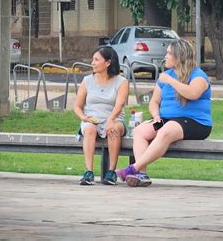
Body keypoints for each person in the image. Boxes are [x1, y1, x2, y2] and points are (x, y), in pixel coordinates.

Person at [117, 39, 212, 187]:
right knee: (140, 131)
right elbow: (154, 102)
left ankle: (134, 168)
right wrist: (156, 115)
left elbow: (193, 94)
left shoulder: (198, 76)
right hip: (167, 120)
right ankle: (141, 174)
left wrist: (171, 80)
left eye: (169, 53)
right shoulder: (165, 76)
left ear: (179, 57)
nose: (165, 56)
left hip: (195, 123)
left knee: (165, 131)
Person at [73, 46, 128, 185]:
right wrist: (83, 117)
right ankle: (89, 172)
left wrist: (110, 120)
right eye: (93, 59)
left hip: (114, 118)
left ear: (108, 63)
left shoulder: (121, 82)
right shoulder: (87, 80)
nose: (92, 63)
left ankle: (111, 172)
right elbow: (77, 106)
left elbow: (119, 105)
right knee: (89, 129)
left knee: (113, 129)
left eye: (96, 60)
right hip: (92, 119)